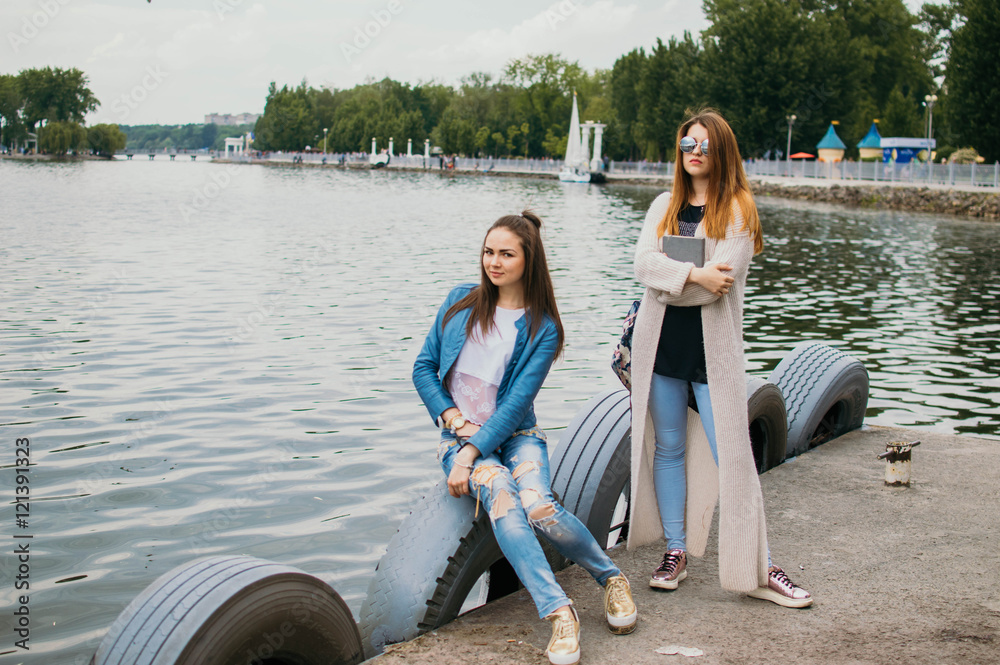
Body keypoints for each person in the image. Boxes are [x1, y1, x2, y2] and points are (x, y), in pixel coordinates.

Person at [413, 211, 638, 665]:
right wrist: (456, 424)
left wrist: (472, 451)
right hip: (458, 437)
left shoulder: (543, 328)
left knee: (538, 504)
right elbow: (423, 368)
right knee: (500, 496)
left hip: (517, 437)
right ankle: (559, 613)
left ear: (528, 260)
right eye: (488, 252)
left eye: (506, 254)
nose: (494, 262)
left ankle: (611, 579)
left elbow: (515, 407)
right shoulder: (460, 303)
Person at [628, 108, 812, 608]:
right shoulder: (663, 205)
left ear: (722, 150)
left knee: (735, 459)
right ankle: (675, 551)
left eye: (704, 146)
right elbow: (643, 264)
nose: (694, 153)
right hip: (661, 347)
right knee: (667, 447)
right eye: (687, 144)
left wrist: (676, 282)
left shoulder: (737, 210)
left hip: (714, 355)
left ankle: (761, 566)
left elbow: (717, 290)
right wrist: (693, 276)